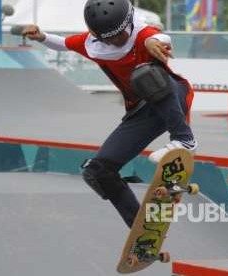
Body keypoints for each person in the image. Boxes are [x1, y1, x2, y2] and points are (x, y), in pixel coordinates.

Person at [23, 0, 197, 228]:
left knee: (147, 74)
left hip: (173, 98)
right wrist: (42, 36)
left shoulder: (143, 34)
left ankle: (184, 138)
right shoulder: (90, 44)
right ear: (97, 35)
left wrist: (155, 41)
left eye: (121, 34)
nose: (118, 40)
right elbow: (64, 43)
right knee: (97, 171)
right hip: (143, 113)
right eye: (110, 38)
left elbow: (158, 37)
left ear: (128, 23)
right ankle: (142, 228)